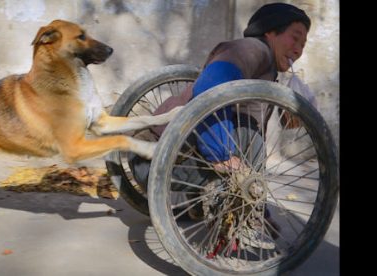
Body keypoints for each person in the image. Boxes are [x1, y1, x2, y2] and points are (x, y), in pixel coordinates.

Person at [129, 2, 311, 249]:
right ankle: (235, 215)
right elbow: (209, 89)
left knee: (247, 127)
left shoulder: (266, 69)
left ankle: (218, 208)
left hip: (163, 159)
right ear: (270, 32)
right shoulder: (252, 50)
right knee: (248, 129)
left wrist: (261, 210)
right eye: (295, 38)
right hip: (154, 162)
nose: (298, 49)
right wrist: (220, 154)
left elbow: (252, 159)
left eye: (303, 44)